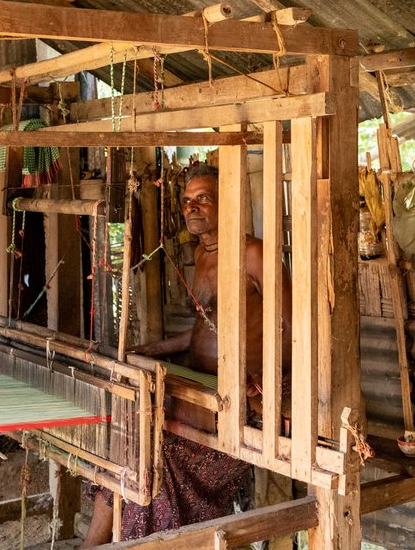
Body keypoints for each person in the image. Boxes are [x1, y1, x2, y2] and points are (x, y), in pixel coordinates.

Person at [82, 163, 292, 546]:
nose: (191, 208)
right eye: (186, 201)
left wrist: (267, 382)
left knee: (156, 456)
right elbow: (205, 331)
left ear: (226, 203)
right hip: (199, 394)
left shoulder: (253, 253)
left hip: (238, 408)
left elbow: (293, 326)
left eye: (203, 199)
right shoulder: (201, 255)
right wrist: (151, 349)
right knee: (125, 437)